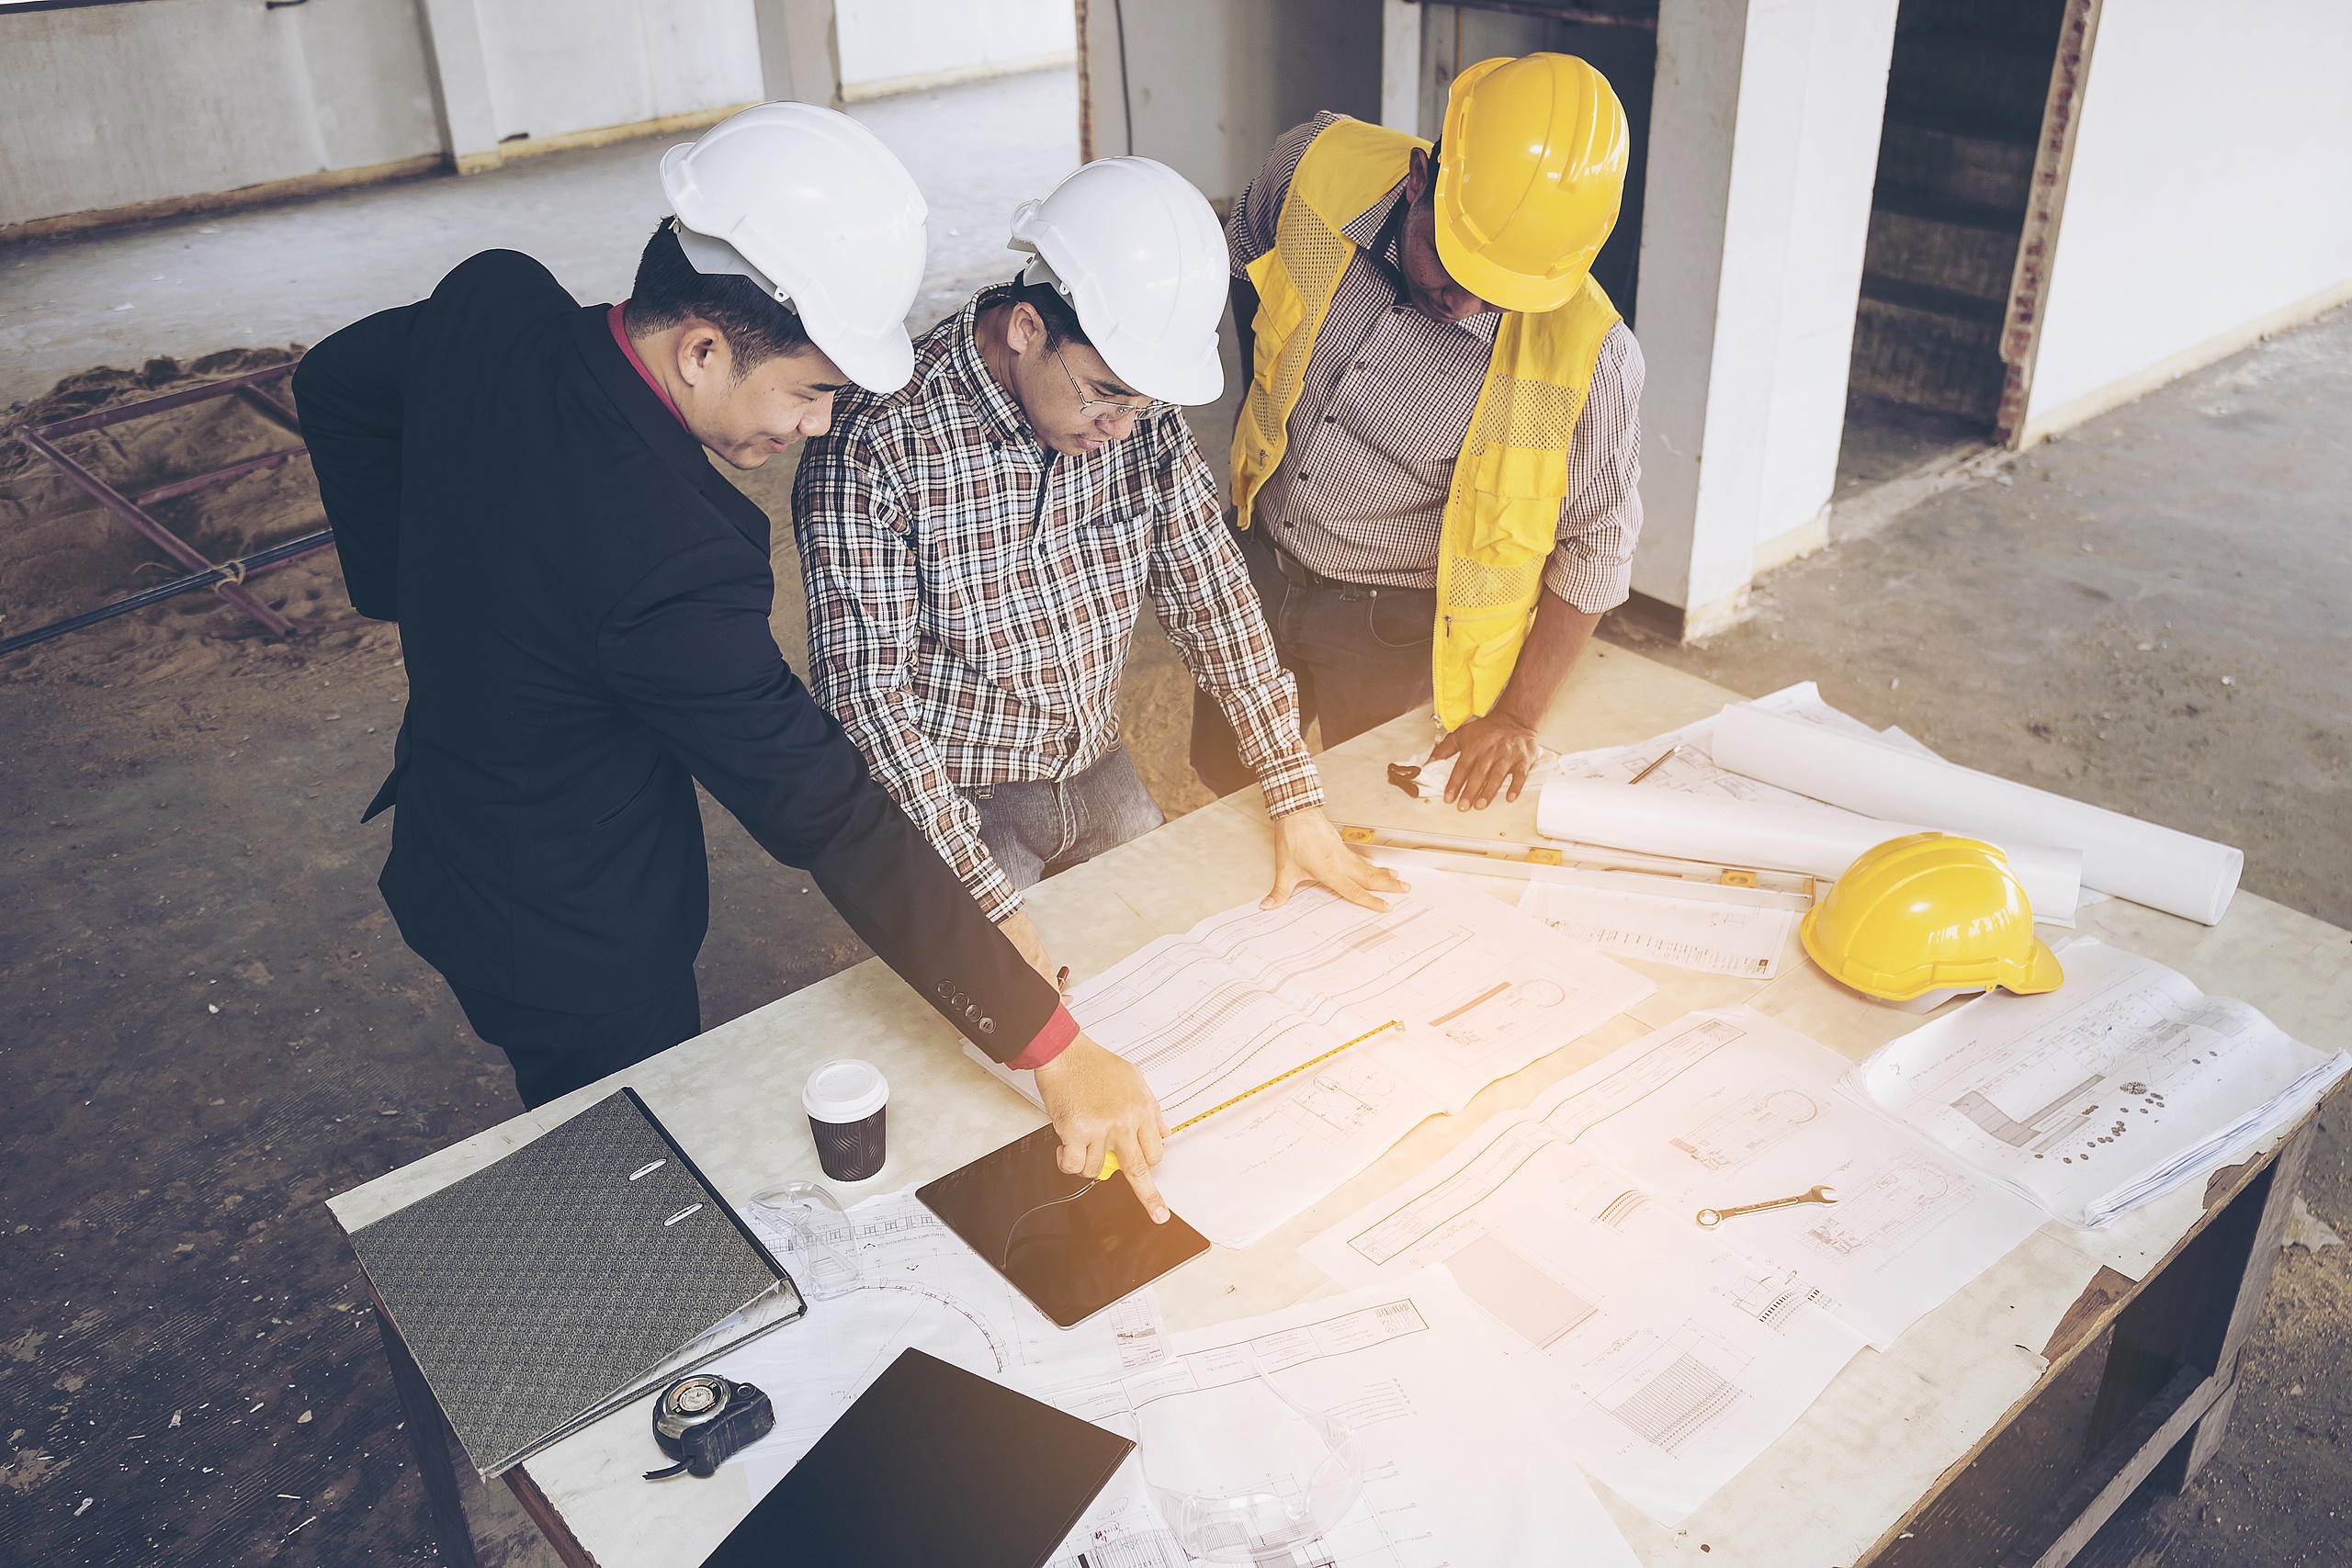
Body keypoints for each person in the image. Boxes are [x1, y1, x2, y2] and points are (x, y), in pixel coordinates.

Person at [294, 104, 1171, 1215]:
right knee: (630, 1150)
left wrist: (410, 582)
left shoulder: (497, 300)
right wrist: (1049, 1043)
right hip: (567, 923)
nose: (816, 425)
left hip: (449, 830)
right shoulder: (672, 562)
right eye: (808, 390)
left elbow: (336, 381)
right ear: (703, 349)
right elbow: (829, 814)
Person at [793, 155, 1399, 980]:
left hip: (1099, 762)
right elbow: (867, 699)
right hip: (959, 798)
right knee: (982, 1026)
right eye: (1106, 394)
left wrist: (1295, 794)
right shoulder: (877, 441)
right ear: (1025, 328)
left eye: (1143, 406)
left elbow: (1212, 593)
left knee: (1172, 980)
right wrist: (982, 903)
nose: (1121, 427)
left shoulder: (1134, 417)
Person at [1193, 52, 1645, 815]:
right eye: (1449, 258)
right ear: (1417, 180)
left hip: (1399, 628)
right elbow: (1247, 269)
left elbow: (1598, 547)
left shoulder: (1591, 358)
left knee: (1378, 817)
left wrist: (1514, 716)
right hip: (1258, 564)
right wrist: (1258, 412)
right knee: (1225, 788)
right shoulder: (1309, 168)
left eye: (1496, 290)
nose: (1463, 302)